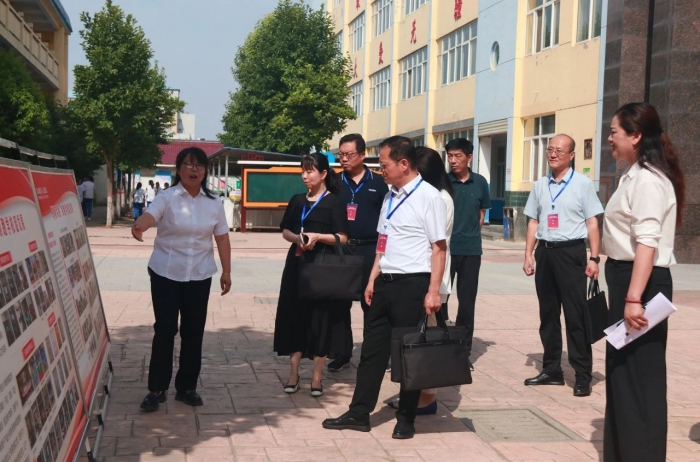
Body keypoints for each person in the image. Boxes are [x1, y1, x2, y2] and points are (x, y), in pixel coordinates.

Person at [322, 136, 447, 440]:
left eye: (384, 164)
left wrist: (433, 290)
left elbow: (439, 248)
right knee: (372, 351)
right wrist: (372, 278)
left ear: (404, 164)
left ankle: (406, 418)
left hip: (412, 284)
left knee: (408, 353)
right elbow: (383, 240)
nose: (381, 170)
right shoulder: (390, 195)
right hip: (383, 283)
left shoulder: (429, 197)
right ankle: (359, 412)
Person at [602, 102, 685, 461]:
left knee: (641, 379)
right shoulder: (633, 175)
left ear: (635, 136)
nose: (609, 139)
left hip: (642, 285)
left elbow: (647, 243)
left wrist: (634, 298)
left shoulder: (649, 180)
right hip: (628, 280)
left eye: (614, 132)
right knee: (622, 375)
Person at [132, 147, 232, 412]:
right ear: (178, 169)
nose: (194, 169)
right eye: (188, 164)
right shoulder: (167, 197)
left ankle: (187, 387)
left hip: (199, 275)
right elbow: (150, 215)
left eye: (199, 165)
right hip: (166, 273)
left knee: (193, 332)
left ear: (205, 171)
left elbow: (222, 238)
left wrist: (226, 271)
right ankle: (157, 389)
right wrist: (140, 225)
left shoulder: (214, 203)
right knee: (165, 330)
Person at [522, 134, 603, 397]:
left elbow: (592, 222)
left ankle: (582, 374)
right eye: (550, 149)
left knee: (575, 315)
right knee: (548, 315)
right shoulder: (540, 185)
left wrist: (594, 258)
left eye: (559, 150)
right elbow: (533, 221)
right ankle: (551, 370)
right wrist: (528, 254)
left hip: (571, 253)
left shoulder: (583, 184)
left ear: (571, 155)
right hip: (545, 253)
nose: (553, 154)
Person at [274, 153, 350, 398]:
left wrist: (318, 237)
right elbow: (286, 230)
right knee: (294, 317)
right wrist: (297, 238)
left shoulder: (335, 202)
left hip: (323, 267)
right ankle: (293, 373)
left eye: (310, 171)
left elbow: (342, 237)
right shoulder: (297, 200)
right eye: (303, 171)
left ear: (324, 173)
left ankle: (317, 376)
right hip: (297, 266)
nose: (305, 176)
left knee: (321, 320)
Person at [387, 146, 454, 416]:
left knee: (426, 339)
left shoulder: (439, 198)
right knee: (416, 337)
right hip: (419, 275)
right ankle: (417, 392)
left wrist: (432, 287)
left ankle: (427, 396)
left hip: (431, 278)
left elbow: (436, 243)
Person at [329, 134, 388, 372]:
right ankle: (342, 353)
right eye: (341, 154)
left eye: (349, 154)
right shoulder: (334, 182)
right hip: (341, 250)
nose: (343, 159)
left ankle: (372, 355)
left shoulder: (379, 182)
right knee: (339, 304)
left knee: (370, 303)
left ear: (362, 155)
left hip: (369, 249)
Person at [446, 138, 490, 368]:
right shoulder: (443, 182)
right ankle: (439, 347)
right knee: (440, 299)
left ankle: (463, 352)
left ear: (469, 157)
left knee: (466, 302)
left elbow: (481, 215)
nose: (453, 160)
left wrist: (470, 234)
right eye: (450, 156)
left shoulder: (480, 182)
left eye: (458, 156)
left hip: (471, 251)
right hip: (445, 250)